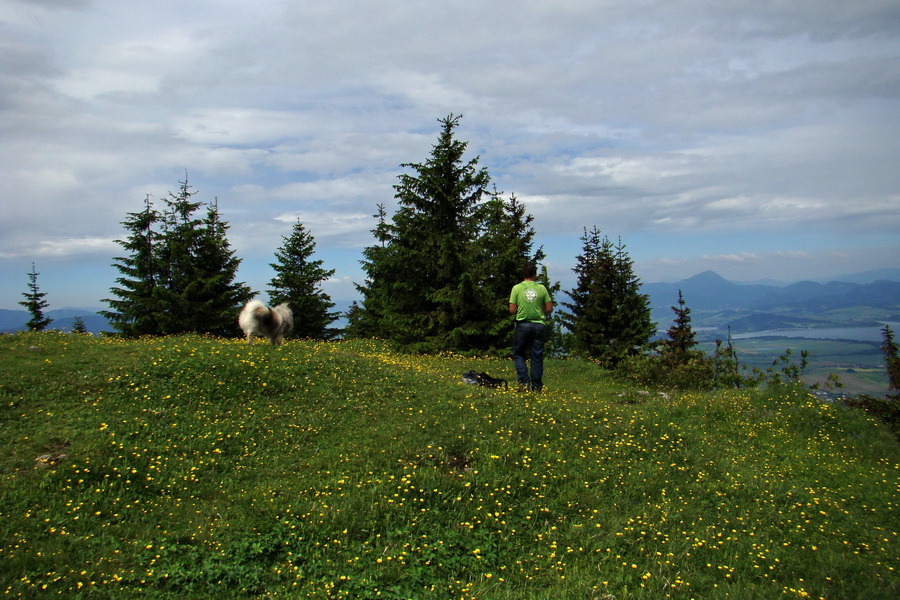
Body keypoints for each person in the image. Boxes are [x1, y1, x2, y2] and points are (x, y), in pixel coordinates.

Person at [509, 262, 553, 391]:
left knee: (518, 353)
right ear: (535, 274)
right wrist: (540, 311)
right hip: (539, 325)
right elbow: (549, 308)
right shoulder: (541, 288)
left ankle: (524, 382)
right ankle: (537, 386)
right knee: (537, 356)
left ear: (524, 274)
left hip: (523, 324)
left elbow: (512, 310)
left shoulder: (516, 288)